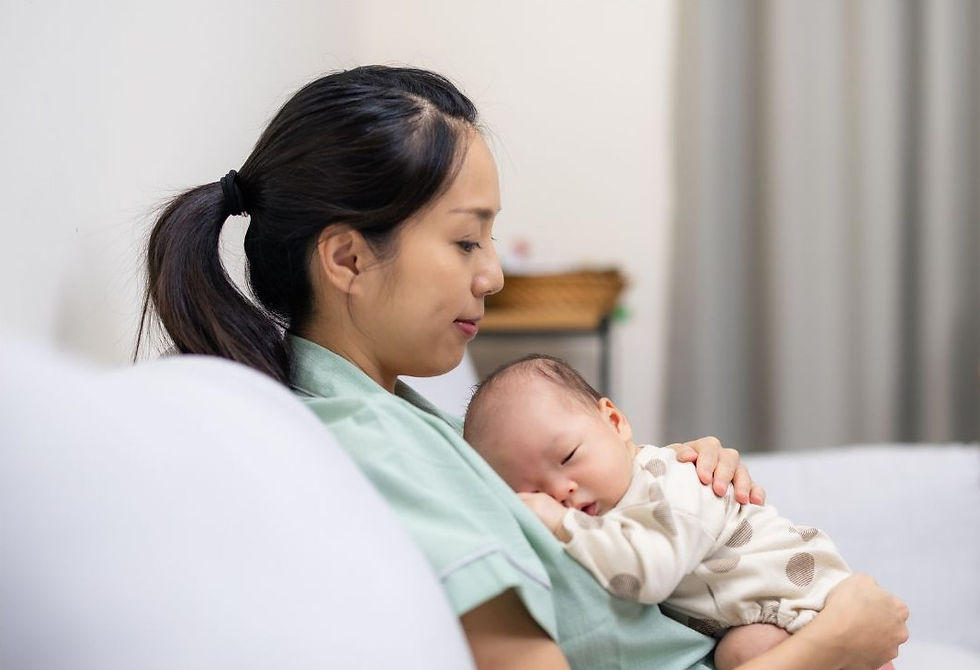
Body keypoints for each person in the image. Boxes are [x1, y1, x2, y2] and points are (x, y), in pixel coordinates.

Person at [139, 65, 908, 670]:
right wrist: (833, 644)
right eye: (467, 241)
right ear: (345, 258)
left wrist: (659, 475)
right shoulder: (375, 442)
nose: (494, 276)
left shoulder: (398, 413)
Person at [463, 354, 897, 670]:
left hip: (806, 604)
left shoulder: (671, 483)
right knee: (740, 655)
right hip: (761, 621)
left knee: (743, 655)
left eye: (568, 456)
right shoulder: (616, 501)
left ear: (615, 422)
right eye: (533, 491)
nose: (562, 492)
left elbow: (648, 575)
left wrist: (559, 522)